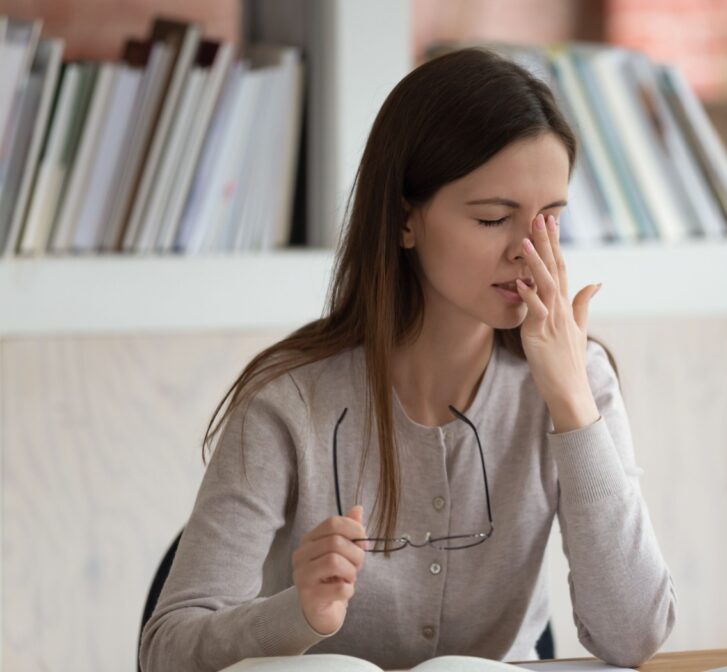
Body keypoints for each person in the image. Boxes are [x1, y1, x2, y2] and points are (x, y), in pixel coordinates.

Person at [140, 47, 676, 672]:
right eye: (494, 218)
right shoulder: (288, 402)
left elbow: (636, 636)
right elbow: (166, 652)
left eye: (550, 220)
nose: (528, 252)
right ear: (405, 220)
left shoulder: (578, 380)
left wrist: (571, 400)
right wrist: (298, 613)